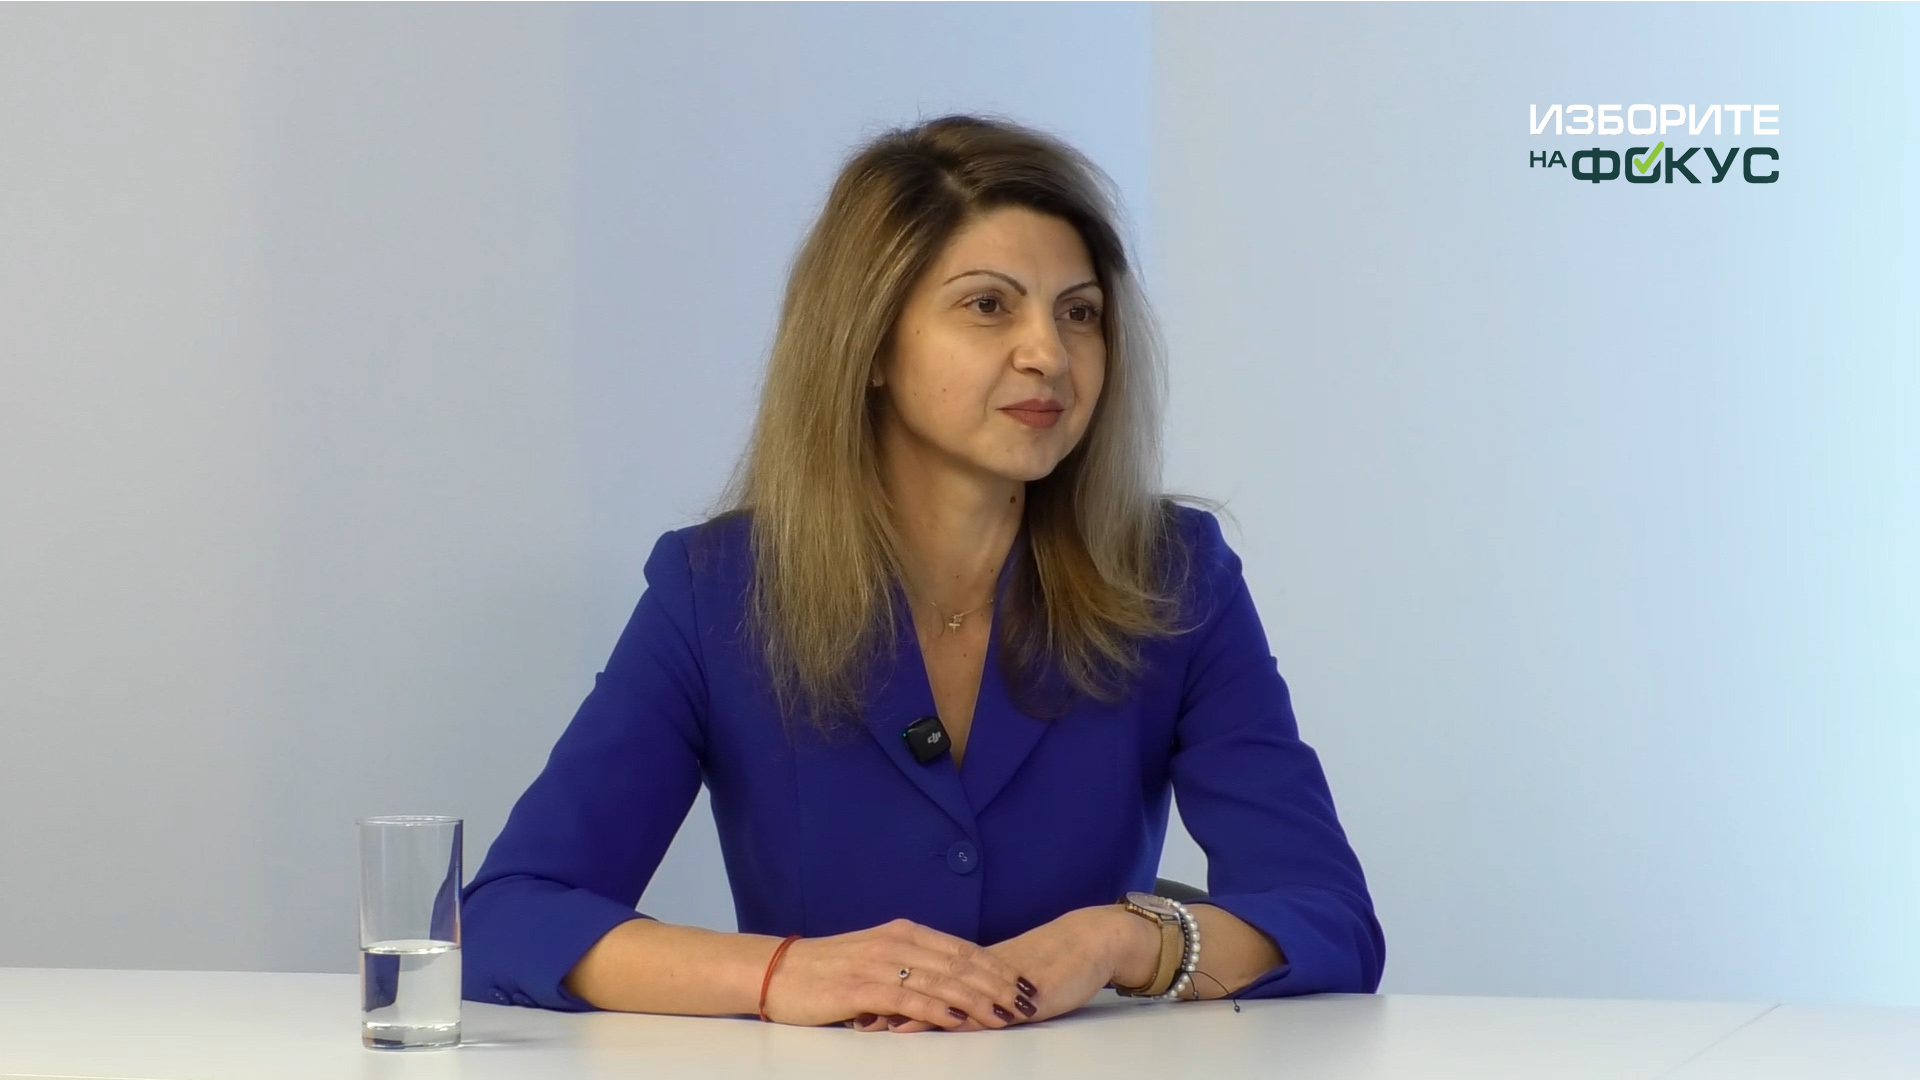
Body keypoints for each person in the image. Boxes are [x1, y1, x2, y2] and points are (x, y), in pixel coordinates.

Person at [460, 113, 1384, 1032]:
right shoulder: (716, 589)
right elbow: (507, 916)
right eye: (989, 306)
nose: (1048, 354)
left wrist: (1114, 940)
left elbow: (1327, 918)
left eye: (1079, 312)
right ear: (869, 345)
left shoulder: (1175, 577)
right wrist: (784, 973)